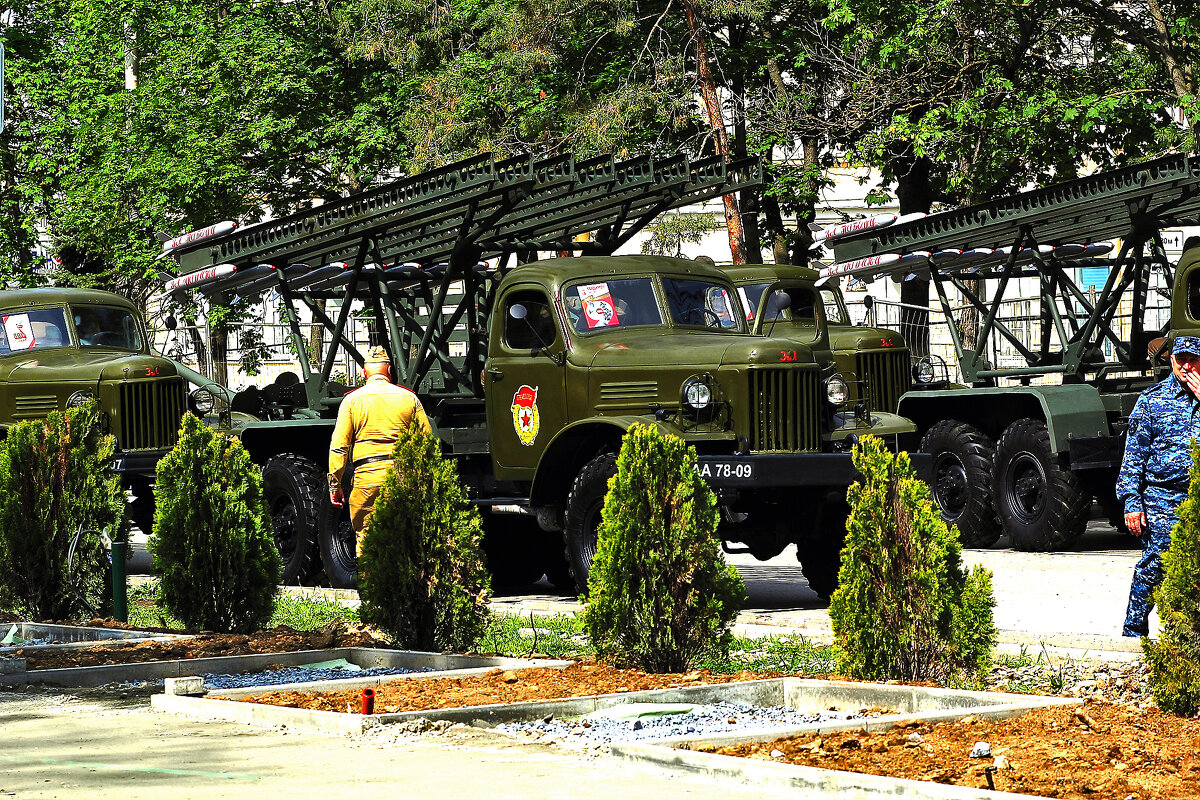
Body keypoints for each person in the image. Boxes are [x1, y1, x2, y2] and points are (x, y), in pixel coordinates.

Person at [1115, 335, 1200, 636]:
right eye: (1181, 359)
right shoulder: (1152, 401)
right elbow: (1132, 460)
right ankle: (1133, 632)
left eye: (1194, 359)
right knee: (1155, 567)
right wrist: (1131, 503)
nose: (1187, 366)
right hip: (1162, 498)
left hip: (1197, 497)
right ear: (1172, 360)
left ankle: (1187, 634)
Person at [328, 346, 431, 555]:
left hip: (367, 476)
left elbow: (339, 447)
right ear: (390, 371)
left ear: (364, 373)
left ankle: (370, 582)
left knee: (366, 537)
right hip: (401, 475)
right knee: (404, 535)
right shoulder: (409, 398)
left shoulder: (351, 401)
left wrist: (335, 485)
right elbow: (427, 442)